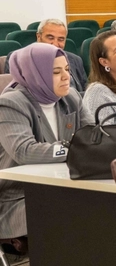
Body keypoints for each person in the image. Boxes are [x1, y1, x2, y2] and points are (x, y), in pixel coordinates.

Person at [0, 44, 81, 255]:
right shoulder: (11, 103)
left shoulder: (71, 97)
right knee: (78, 211)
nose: (66, 76)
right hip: (20, 198)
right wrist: (72, 150)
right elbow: (24, 150)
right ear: (35, 74)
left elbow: (93, 137)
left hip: (66, 186)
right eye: (56, 72)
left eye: (67, 69)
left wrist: (85, 148)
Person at [3, 19, 87, 93]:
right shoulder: (18, 59)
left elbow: (84, 89)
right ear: (39, 37)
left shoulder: (75, 59)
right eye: (50, 38)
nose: (55, 43)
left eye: (61, 39)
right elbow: (15, 90)